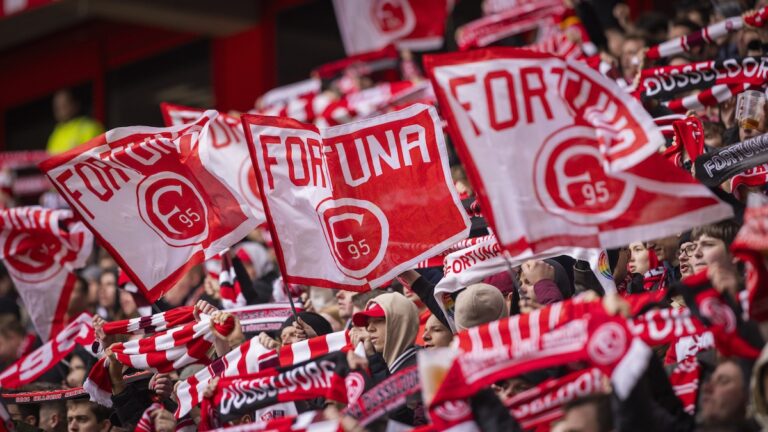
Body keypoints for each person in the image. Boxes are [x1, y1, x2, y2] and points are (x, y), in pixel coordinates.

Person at [351, 292, 424, 425]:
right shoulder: (380, 363)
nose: (370, 329)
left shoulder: (421, 367)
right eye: (368, 323)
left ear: (400, 323)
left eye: (378, 321)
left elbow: (400, 421)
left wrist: (373, 360)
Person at [46, 90, 103, 155]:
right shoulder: (56, 133)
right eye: (57, 107)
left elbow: (95, 155)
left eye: (64, 105)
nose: (61, 110)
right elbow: (49, 158)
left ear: (75, 105)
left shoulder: (90, 127)